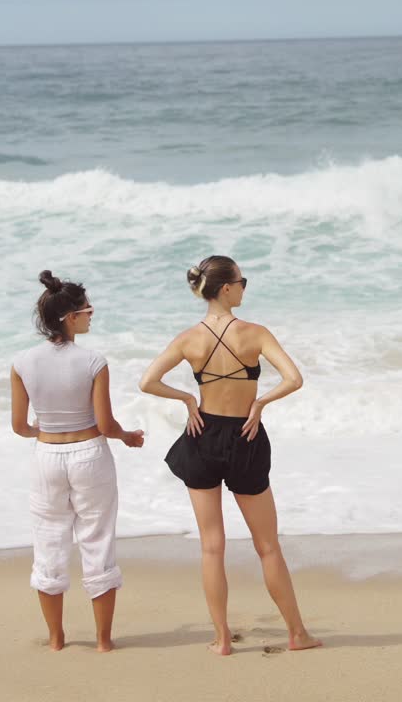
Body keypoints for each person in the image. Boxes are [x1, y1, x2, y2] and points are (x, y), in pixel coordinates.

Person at [138, 255, 321, 656]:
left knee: (211, 546)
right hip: (245, 436)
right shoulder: (255, 333)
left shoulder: (189, 339)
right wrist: (260, 404)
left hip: (202, 435)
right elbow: (294, 379)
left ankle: (222, 639)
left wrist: (188, 398)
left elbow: (147, 381)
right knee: (267, 546)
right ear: (225, 288)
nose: (244, 288)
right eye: (242, 282)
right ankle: (297, 634)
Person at [10, 270, 144, 652]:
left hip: (47, 458)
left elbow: (19, 426)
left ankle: (56, 639)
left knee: (49, 543)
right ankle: (103, 641)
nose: (91, 314)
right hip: (89, 456)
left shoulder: (22, 362)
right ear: (70, 318)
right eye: (87, 310)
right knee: (97, 541)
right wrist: (128, 436)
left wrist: (43, 432)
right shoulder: (93, 362)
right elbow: (105, 425)